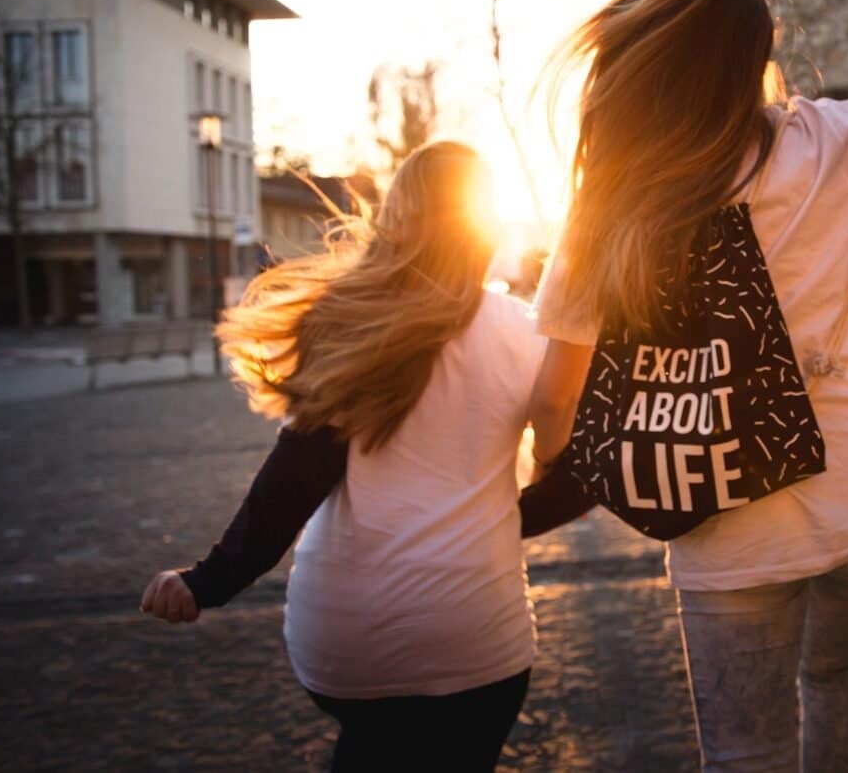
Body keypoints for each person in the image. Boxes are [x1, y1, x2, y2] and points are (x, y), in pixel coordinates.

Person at [522, 0, 848, 771]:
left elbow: (553, 402)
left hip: (729, 527)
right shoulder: (826, 139)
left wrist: (552, 469)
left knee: (745, 752)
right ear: (753, 59)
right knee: (832, 675)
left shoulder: (608, 208)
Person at [139, 141, 547, 773]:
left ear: (396, 216)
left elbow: (296, 478)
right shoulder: (527, 332)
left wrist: (206, 582)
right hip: (476, 634)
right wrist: (503, 520)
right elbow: (586, 470)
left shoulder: (352, 321)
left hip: (350, 642)